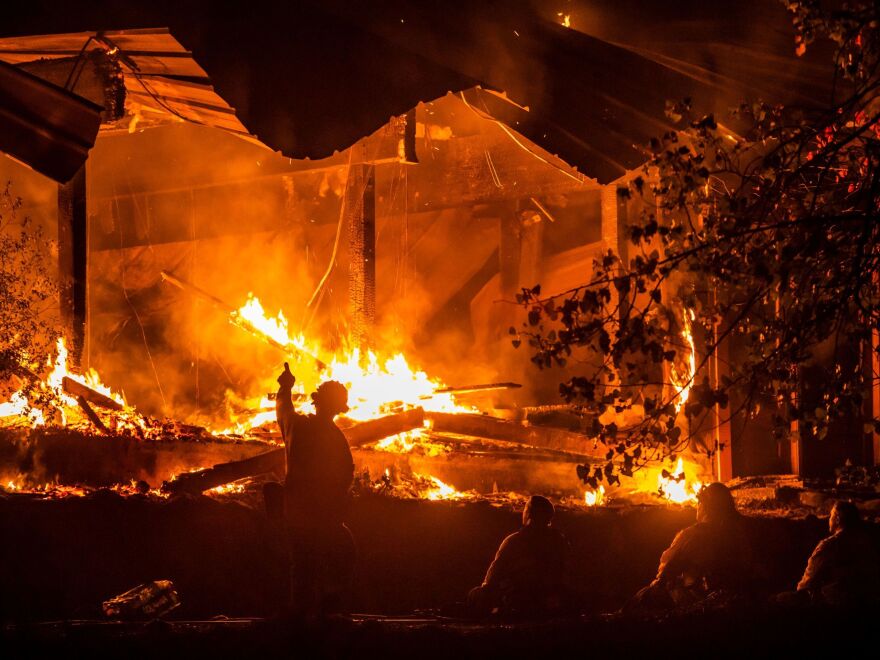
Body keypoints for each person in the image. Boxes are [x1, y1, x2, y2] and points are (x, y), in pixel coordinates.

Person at [276, 362, 355, 616]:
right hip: (324, 518)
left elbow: (283, 412)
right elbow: (344, 478)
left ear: (317, 401)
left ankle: (306, 616)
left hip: (299, 514)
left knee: (303, 566)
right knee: (328, 560)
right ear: (337, 409)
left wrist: (286, 387)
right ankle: (319, 615)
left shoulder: (300, 427)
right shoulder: (335, 438)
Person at [627, 482, 753, 611]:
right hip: (733, 597)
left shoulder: (693, 535)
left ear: (705, 506)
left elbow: (667, 567)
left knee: (643, 597)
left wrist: (656, 585)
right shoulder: (738, 532)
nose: (697, 507)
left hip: (698, 601)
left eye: (699, 502)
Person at [468, 495, 570, 617]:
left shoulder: (515, 541)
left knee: (476, 594)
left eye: (525, 509)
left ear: (529, 514)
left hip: (520, 600)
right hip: (554, 598)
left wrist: (484, 591)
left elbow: (494, 575)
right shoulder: (560, 540)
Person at [795, 500, 880, 607]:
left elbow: (808, 582)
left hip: (833, 604)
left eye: (831, 516)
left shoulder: (829, 545)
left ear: (837, 519)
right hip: (865, 603)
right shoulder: (866, 543)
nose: (828, 519)